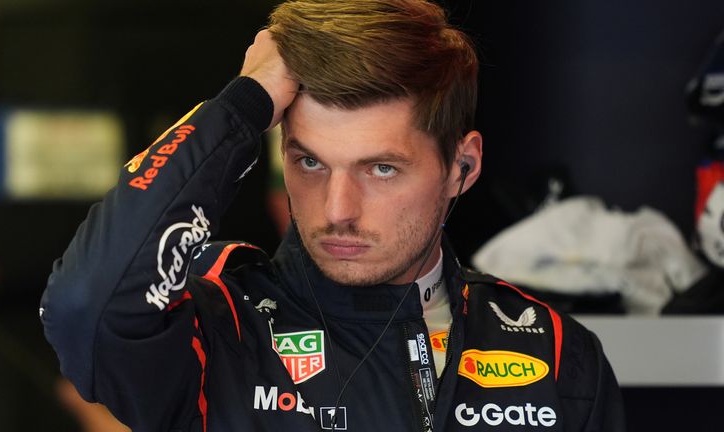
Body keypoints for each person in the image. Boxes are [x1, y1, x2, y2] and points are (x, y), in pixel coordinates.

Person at [40, 0, 625, 430]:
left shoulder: (552, 355)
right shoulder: (222, 329)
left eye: (382, 169)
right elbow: (85, 305)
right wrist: (244, 106)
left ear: (462, 168)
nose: (337, 211)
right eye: (311, 162)